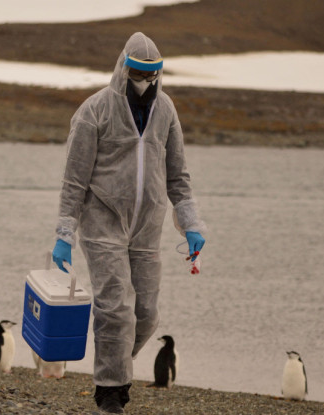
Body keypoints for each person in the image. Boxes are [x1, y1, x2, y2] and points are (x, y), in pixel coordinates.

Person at [51, 32, 206, 414]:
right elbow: (74, 178)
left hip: (147, 228)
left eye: (153, 75)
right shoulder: (95, 110)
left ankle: (116, 367)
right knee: (115, 307)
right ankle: (110, 391)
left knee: (146, 314)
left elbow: (178, 176)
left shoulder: (166, 111)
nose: (146, 82)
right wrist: (65, 233)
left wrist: (191, 223)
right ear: (124, 69)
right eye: (138, 73)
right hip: (103, 222)